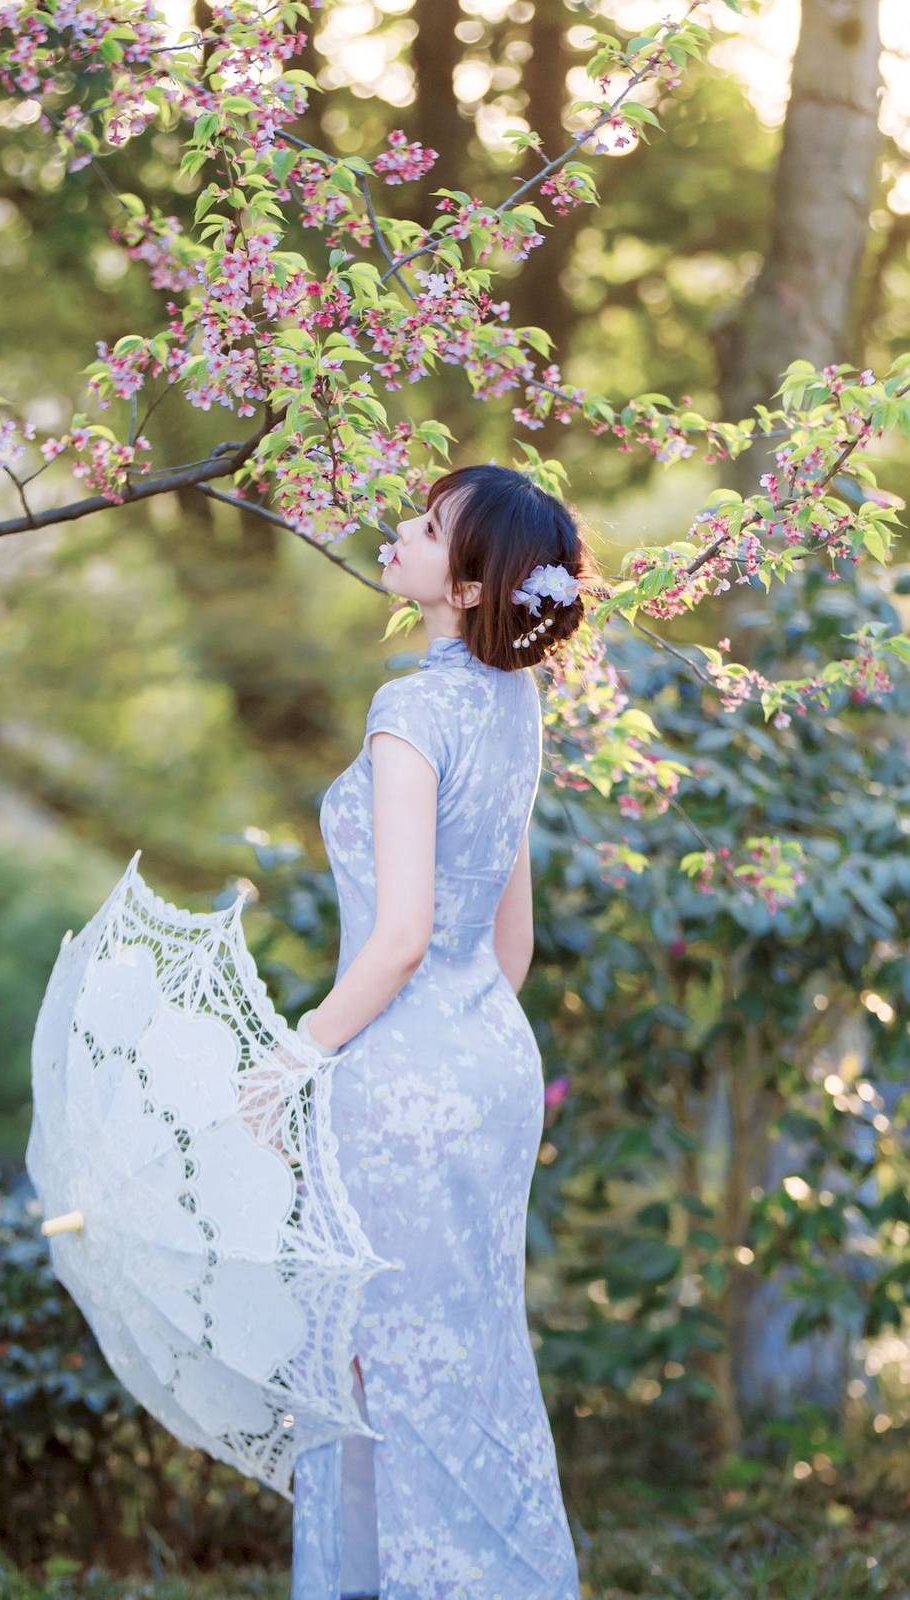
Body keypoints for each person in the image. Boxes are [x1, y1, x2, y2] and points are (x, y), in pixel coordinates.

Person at [289, 463, 598, 1599]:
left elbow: (403, 932)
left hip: (395, 1072)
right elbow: (505, 942)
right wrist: (460, 1046)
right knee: (463, 1357)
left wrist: (297, 1059)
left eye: (425, 530)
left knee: (382, 1367)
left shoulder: (412, 709)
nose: (399, 535)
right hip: (485, 1062)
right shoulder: (511, 704)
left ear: (468, 589)